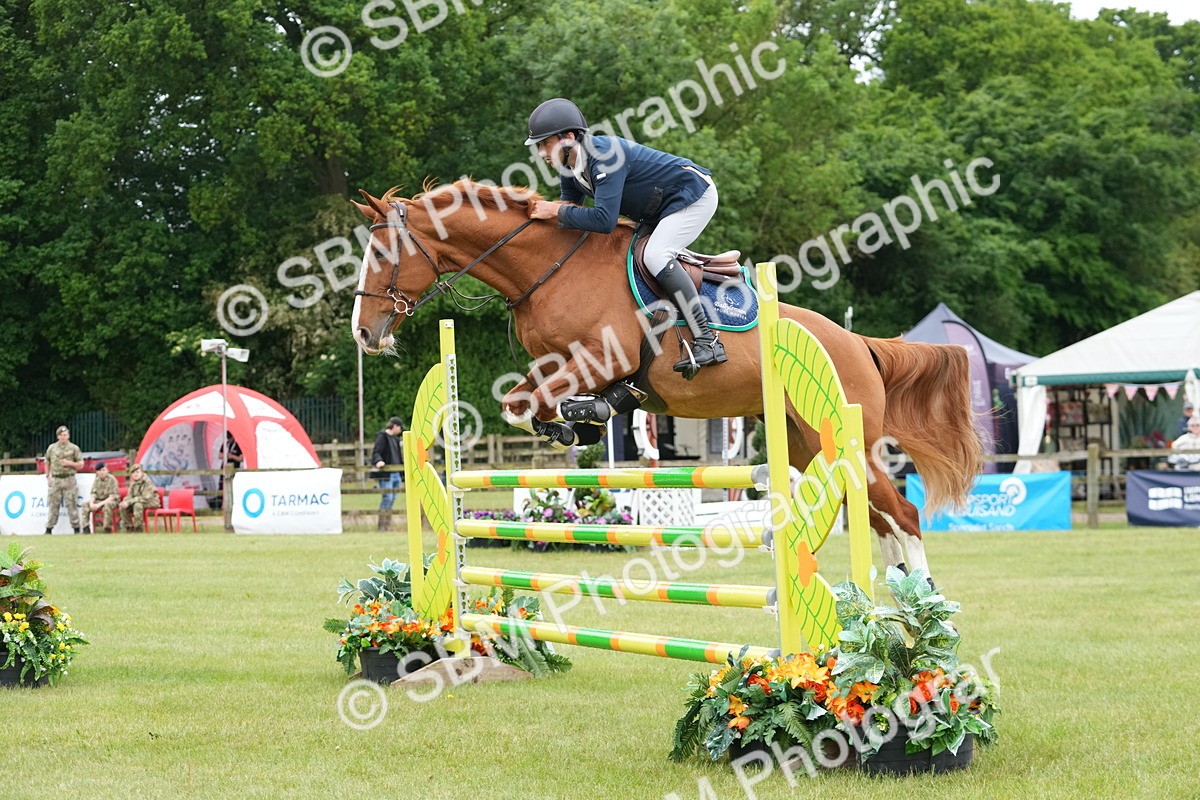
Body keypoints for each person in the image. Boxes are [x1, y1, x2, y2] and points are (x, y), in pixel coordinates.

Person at [524, 98, 727, 375]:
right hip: (657, 209)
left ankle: (707, 340)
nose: (542, 153)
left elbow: (604, 221)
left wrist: (555, 213)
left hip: (692, 195)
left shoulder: (603, 154)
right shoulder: (570, 168)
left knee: (656, 254)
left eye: (545, 144)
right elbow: (569, 211)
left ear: (568, 138)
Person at [44, 425, 84, 534]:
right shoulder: (52, 448)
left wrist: (69, 463)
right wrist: (47, 476)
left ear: (68, 436)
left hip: (69, 479)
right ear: (58, 436)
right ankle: (49, 529)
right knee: (53, 505)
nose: (63, 437)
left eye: (65, 435)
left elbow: (81, 464)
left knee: (72, 504)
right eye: (61, 435)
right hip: (56, 479)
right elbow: (46, 461)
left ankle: (76, 528)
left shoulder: (74, 448)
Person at [371, 416, 404, 531]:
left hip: (396, 473)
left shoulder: (395, 439)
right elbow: (377, 451)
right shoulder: (382, 437)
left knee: (393, 498)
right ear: (395, 426)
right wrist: (379, 461)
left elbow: (399, 456)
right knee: (387, 498)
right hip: (387, 474)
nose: (400, 430)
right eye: (400, 427)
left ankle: (387, 524)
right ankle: (382, 525)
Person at [119, 463, 161, 532]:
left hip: (151, 502)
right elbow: (129, 495)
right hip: (138, 501)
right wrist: (125, 501)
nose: (135, 474)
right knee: (123, 507)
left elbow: (145, 497)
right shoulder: (133, 483)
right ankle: (129, 528)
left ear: (142, 473)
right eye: (133, 472)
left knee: (137, 505)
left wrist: (129, 502)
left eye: (137, 472)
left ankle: (138, 529)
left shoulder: (147, 482)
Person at [86, 461, 121, 533]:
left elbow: (112, 496)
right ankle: (86, 528)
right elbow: (93, 493)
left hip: (112, 501)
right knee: (85, 505)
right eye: (99, 470)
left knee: (107, 506)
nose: (102, 472)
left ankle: (107, 529)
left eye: (103, 470)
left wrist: (99, 504)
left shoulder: (112, 480)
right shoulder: (96, 480)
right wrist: (92, 503)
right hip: (99, 501)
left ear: (107, 470)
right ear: (96, 472)